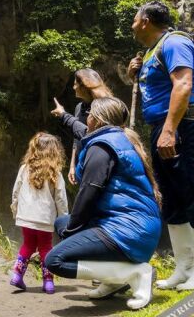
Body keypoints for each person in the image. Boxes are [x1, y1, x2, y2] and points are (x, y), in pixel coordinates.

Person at [127, 0, 194, 290]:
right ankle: (185, 267)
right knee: (172, 198)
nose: (131, 23)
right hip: (164, 128)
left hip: (184, 126)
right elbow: (158, 87)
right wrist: (135, 74)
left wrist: (169, 130)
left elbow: (183, 84)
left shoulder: (175, 42)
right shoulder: (153, 50)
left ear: (145, 20)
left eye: (134, 17)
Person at [46, 97, 162, 310]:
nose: (86, 116)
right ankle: (113, 280)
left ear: (97, 119)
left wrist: (73, 230)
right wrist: (64, 116)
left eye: (90, 114)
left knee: (55, 260)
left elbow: (88, 194)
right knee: (62, 222)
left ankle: (136, 274)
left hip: (128, 231)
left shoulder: (101, 149)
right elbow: (82, 131)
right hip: (134, 227)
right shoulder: (116, 137)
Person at [10, 132, 69, 294]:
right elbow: (61, 198)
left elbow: (16, 191)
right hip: (45, 218)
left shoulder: (24, 169)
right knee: (45, 247)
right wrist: (64, 218)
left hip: (26, 216)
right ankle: (48, 282)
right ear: (53, 152)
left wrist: (15, 209)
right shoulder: (55, 172)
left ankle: (17, 275)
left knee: (28, 244)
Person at [68, 69, 113, 185]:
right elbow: (76, 138)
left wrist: (64, 116)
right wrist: (72, 165)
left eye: (75, 84)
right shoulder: (79, 107)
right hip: (82, 163)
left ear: (83, 86)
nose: (73, 87)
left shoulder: (103, 106)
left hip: (97, 161)